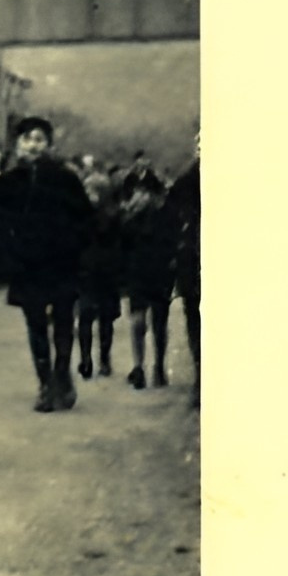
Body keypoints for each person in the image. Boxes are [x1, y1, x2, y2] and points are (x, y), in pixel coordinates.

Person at [0, 116, 97, 413]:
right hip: (27, 265)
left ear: (49, 145)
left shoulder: (65, 178)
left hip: (63, 262)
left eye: (39, 139)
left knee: (64, 320)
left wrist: (76, 249)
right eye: (27, 139)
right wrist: (10, 252)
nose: (33, 145)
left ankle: (63, 375)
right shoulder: (9, 181)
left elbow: (86, 218)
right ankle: (45, 385)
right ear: (18, 143)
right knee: (35, 323)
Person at [120, 156, 179, 392]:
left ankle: (146, 367)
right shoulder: (161, 214)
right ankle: (152, 368)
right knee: (151, 321)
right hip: (153, 271)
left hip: (147, 270)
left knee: (147, 321)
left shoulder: (148, 215)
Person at [73, 164, 125, 381]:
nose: (90, 194)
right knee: (96, 317)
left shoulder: (83, 216)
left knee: (95, 317)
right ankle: (95, 359)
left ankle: (96, 358)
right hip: (98, 271)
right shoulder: (113, 215)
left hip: (94, 270)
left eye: (93, 190)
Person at [168, 134, 202, 400]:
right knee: (194, 316)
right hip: (192, 260)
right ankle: (200, 376)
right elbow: (169, 222)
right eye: (199, 145)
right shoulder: (185, 183)